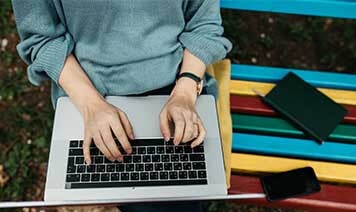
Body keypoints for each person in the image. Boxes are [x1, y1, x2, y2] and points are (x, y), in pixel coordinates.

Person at [12, 0, 232, 211]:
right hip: (89, 92)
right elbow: (41, 38)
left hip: (177, 83)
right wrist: (92, 105)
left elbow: (203, 23)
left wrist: (185, 91)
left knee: (180, 183)